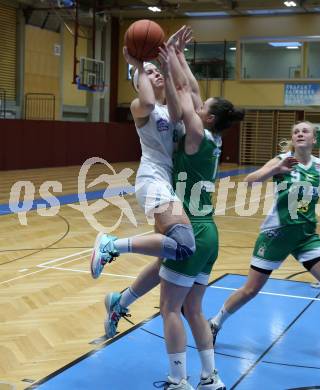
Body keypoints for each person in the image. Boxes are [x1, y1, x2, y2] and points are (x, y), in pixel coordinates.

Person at [97, 31, 244, 389]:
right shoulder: (208, 136)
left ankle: (178, 379)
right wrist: (173, 56)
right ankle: (210, 377)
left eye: (203, 106)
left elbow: (186, 91)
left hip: (189, 224)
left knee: (171, 307)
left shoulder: (195, 133)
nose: (198, 102)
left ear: (206, 118)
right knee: (192, 307)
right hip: (209, 232)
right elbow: (189, 91)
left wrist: (166, 61)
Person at [208, 121, 320, 367]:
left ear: (314, 139)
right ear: (293, 139)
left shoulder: (319, 165)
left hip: (305, 236)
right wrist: (275, 169)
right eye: (296, 131)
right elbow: (250, 180)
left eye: (305, 131)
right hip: (276, 235)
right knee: (250, 290)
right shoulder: (282, 160)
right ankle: (214, 323)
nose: (300, 134)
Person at [90, 27, 198, 281]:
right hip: (152, 180)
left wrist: (170, 57)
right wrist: (138, 65)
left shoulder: (169, 110)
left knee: (165, 258)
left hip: (167, 182)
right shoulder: (140, 107)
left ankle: (121, 302)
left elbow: (183, 100)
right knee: (183, 244)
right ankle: (111, 245)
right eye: (148, 73)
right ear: (138, 83)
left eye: (155, 70)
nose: (155, 73)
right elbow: (148, 102)